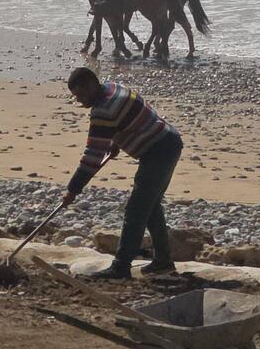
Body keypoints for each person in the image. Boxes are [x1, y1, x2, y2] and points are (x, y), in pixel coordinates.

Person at [60, 66, 184, 279]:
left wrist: (73, 189)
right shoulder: (113, 88)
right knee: (150, 206)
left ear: (91, 85)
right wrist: (115, 140)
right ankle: (163, 261)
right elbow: (131, 117)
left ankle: (121, 267)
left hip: (158, 152)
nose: (79, 101)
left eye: (81, 94)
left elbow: (92, 157)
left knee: (135, 210)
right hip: (169, 140)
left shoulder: (102, 111)